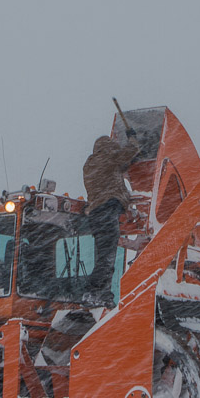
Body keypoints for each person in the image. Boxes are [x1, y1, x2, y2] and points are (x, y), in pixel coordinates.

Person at [82, 129, 139, 305]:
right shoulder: (107, 157)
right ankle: (97, 294)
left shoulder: (91, 164)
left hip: (97, 214)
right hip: (108, 210)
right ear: (108, 147)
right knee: (106, 258)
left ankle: (98, 293)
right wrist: (132, 138)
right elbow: (127, 153)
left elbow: (114, 169)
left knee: (103, 256)